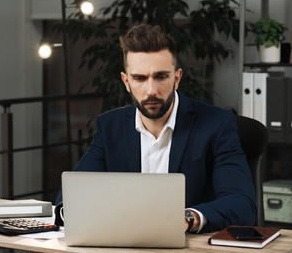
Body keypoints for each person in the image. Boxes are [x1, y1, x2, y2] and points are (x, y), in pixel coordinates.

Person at [55, 24, 256, 233]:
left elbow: (242, 204)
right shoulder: (110, 127)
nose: (151, 90)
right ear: (126, 81)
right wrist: (71, 211)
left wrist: (188, 218)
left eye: (160, 77)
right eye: (139, 78)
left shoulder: (217, 124)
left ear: (177, 78)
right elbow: (73, 191)